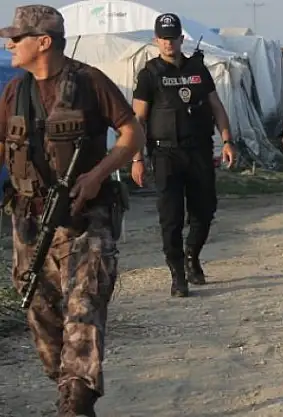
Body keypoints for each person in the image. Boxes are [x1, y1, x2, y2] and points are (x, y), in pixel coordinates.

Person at [0, 4, 146, 415]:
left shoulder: (89, 82)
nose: (10, 45)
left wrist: (97, 175)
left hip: (86, 219)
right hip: (30, 223)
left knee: (84, 308)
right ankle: (69, 385)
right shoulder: (14, 92)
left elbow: (132, 133)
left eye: (17, 38)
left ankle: (77, 400)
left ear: (43, 42)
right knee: (41, 317)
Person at [131, 13, 236, 297]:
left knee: (205, 210)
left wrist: (227, 140)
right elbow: (138, 120)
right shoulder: (149, 74)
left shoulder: (198, 70)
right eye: (163, 38)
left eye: (173, 38)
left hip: (198, 150)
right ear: (157, 40)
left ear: (181, 39)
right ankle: (177, 274)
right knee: (171, 217)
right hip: (165, 154)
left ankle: (192, 254)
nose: (168, 43)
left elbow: (216, 106)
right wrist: (137, 159)